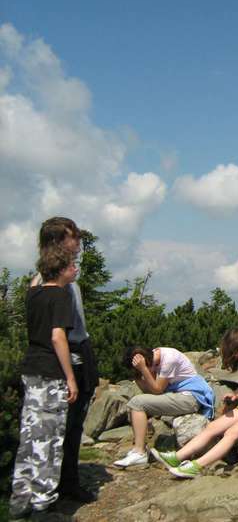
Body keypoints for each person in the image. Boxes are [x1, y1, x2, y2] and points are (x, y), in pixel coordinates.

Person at [32, 217, 99, 503]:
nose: (79, 242)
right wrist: (69, 372)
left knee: (74, 424)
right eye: (74, 237)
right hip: (65, 356)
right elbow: (52, 332)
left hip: (80, 350)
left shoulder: (68, 277)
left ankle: (66, 481)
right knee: (62, 425)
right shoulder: (46, 282)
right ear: (57, 241)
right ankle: (55, 486)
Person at [9, 247, 79, 520]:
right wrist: (70, 376)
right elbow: (57, 336)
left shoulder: (34, 293)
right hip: (51, 372)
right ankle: (43, 503)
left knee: (29, 433)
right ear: (60, 270)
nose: (75, 269)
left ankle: (21, 497)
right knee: (49, 439)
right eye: (71, 265)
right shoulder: (60, 296)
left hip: (31, 369)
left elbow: (35, 280)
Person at [151, 329, 238, 478]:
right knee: (212, 427)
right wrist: (235, 395)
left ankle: (196, 466)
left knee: (232, 433)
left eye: (237, 350)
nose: (236, 355)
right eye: (233, 352)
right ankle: (176, 458)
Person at [113, 346, 215, 468]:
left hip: (191, 397)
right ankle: (138, 449)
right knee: (137, 403)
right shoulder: (155, 359)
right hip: (180, 395)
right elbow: (149, 391)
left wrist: (143, 369)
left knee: (137, 403)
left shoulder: (169, 359)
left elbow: (157, 390)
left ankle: (139, 452)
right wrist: (138, 374)